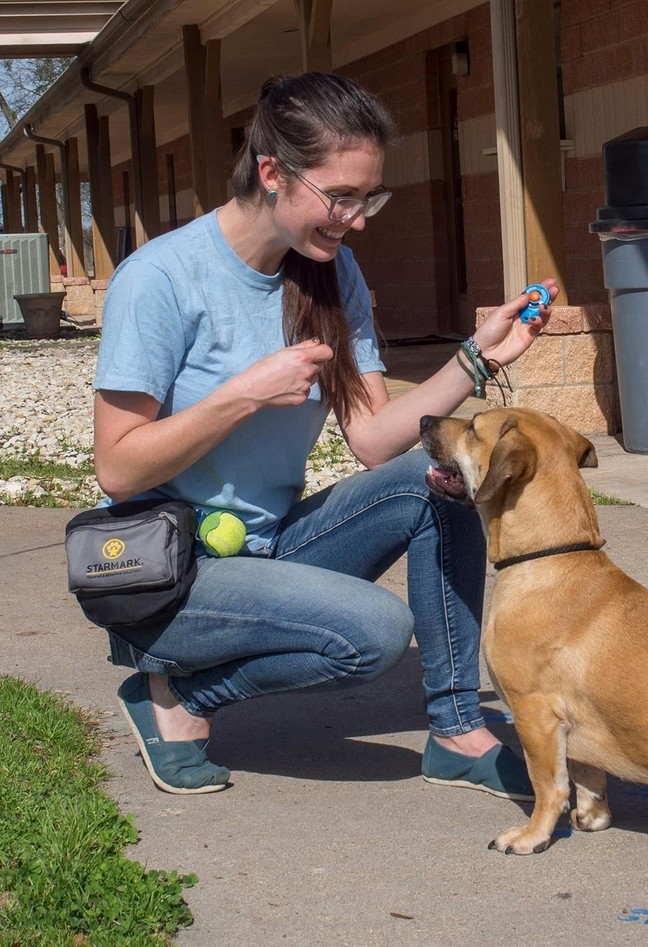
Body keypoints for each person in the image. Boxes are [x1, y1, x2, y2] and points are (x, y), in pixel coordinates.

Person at [92, 72, 558, 797]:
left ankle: (458, 731)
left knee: (440, 483)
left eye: (368, 196)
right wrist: (242, 395)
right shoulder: (158, 279)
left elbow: (373, 438)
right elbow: (118, 469)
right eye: (341, 196)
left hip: (273, 546)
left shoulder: (330, 270)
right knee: (373, 632)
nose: (358, 218)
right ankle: (178, 698)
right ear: (273, 173)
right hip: (171, 571)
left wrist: (476, 358)